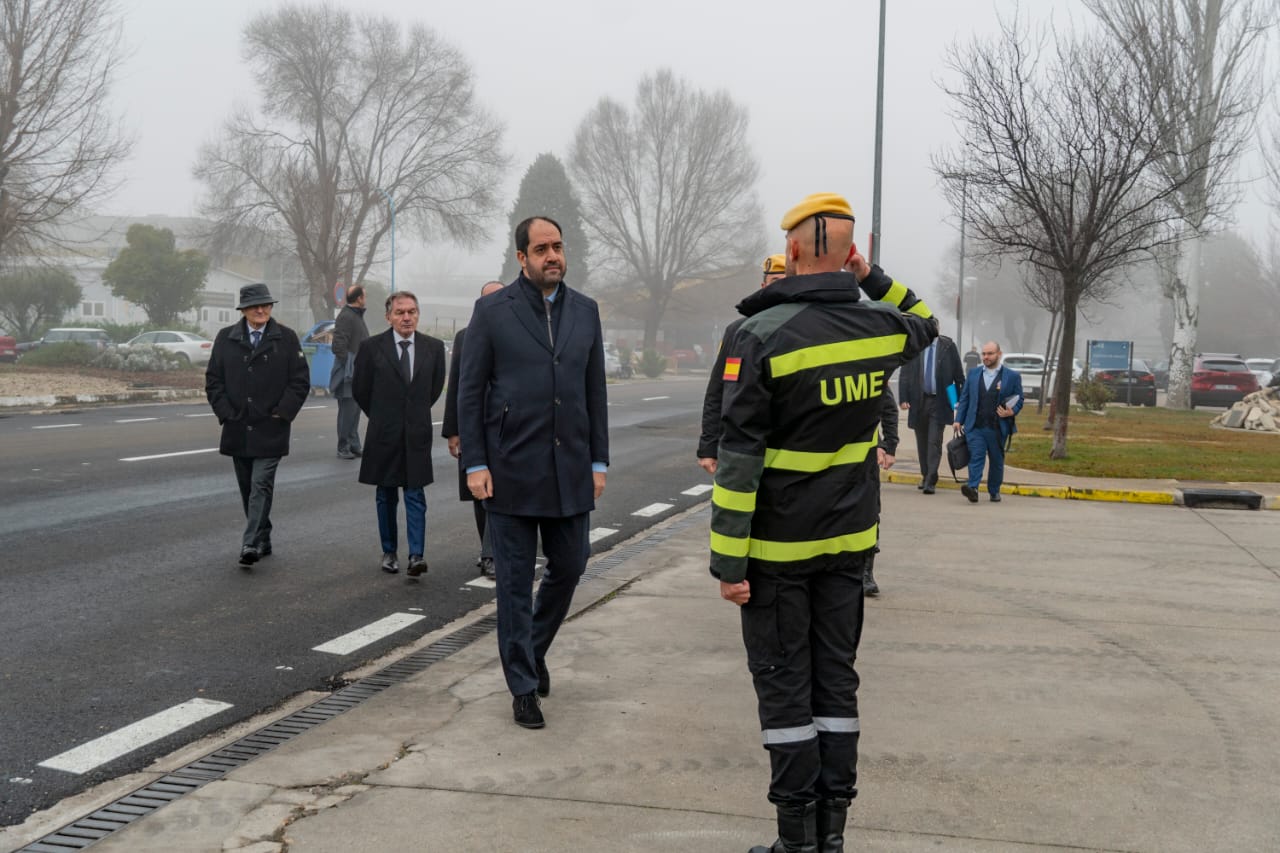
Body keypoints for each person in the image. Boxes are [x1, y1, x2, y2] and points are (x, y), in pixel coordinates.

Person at [710, 193, 936, 852]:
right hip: (849, 548)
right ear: (846, 252)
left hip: (777, 554)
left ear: (795, 252)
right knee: (835, 685)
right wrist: (870, 278)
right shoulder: (878, 328)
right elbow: (927, 319)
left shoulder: (758, 336)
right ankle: (831, 837)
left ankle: (795, 840)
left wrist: (728, 562)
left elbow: (740, 458)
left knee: (785, 693)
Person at [458, 215, 609, 730]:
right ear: (521, 257)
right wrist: (475, 463)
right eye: (541, 248)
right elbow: (470, 392)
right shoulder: (492, 312)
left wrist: (598, 461)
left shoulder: (586, 312)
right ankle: (522, 687)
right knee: (515, 586)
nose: (553, 256)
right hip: (509, 473)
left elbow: (595, 394)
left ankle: (533, 648)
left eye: (558, 246)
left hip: (570, 471)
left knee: (571, 564)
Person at [205, 283, 311, 566]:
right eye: (254, 306)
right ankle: (263, 535)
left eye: (265, 305)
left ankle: (249, 542)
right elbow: (213, 380)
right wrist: (226, 413)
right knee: (247, 488)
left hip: (271, 427)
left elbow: (300, 381)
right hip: (237, 427)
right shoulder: (226, 337)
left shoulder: (286, 338)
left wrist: (282, 413)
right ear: (243, 310)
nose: (261, 310)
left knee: (260, 484)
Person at [352, 291, 446, 576]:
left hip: (416, 433)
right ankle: (389, 551)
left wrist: (412, 416)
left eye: (412, 312)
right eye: (400, 312)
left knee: (415, 494)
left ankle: (416, 555)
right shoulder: (371, 348)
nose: (407, 317)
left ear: (418, 314)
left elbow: (434, 388)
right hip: (384, 433)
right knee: (386, 494)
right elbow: (361, 389)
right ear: (388, 316)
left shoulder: (433, 347)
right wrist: (383, 416)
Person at [697, 254, 787, 474]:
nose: (781, 289)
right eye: (776, 282)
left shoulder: (806, 329)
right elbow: (718, 390)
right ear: (763, 286)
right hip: (740, 448)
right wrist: (708, 446)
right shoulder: (738, 331)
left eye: (787, 281)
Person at [442, 279, 506, 578]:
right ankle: (489, 551)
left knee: (502, 492)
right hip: (475, 427)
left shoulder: (519, 334)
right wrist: (453, 431)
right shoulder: (465, 337)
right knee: (481, 492)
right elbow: (457, 384)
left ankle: (493, 552)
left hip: (509, 428)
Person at [953, 340, 1023, 504]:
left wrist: (1011, 411)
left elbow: (1019, 399)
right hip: (975, 425)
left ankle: (994, 490)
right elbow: (965, 399)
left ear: (999, 354)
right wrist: (958, 420)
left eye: (990, 354)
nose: (986, 357)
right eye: (984, 354)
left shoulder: (1012, 376)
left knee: (996, 460)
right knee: (976, 456)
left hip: (997, 427)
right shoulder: (973, 374)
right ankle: (973, 488)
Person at [898, 334, 964, 494]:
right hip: (918, 400)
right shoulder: (915, 344)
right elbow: (905, 372)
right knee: (921, 441)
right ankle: (925, 474)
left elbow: (958, 375)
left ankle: (931, 480)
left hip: (939, 401)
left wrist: (959, 400)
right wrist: (903, 398)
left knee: (934, 441)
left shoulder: (948, 346)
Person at [863, 387, 899, 598]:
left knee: (868, 513)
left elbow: (889, 410)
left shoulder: (869, 365)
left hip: (865, 458)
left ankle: (866, 572)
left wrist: (888, 446)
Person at [330, 285, 370, 460]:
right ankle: (343, 446)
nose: (365, 298)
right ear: (359, 298)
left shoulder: (356, 316)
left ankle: (354, 445)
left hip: (358, 372)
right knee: (348, 411)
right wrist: (351, 364)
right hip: (348, 374)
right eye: (365, 295)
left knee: (355, 411)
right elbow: (338, 345)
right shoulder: (347, 316)